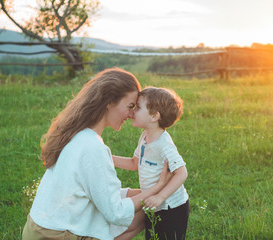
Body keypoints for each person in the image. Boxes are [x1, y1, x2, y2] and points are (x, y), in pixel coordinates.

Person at [22, 68, 173, 240]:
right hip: (54, 235)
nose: (132, 115)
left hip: (38, 228)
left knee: (143, 201)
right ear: (109, 102)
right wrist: (157, 188)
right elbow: (115, 213)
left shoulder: (77, 134)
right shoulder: (93, 148)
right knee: (143, 213)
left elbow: (97, 192)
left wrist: (145, 193)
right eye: (130, 106)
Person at [113, 87, 190, 240]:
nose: (133, 111)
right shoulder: (145, 137)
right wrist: (107, 157)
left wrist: (160, 197)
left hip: (171, 208)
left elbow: (182, 173)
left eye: (138, 107)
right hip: (153, 204)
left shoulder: (164, 144)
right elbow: (134, 163)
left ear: (154, 116)